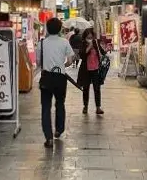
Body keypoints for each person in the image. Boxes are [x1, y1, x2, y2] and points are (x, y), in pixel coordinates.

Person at [37, 17, 75, 148]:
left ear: (47, 29)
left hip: (46, 77)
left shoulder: (42, 43)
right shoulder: (64, 42)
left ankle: (48, 138)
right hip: (60, 77)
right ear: (59, 29)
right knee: (60, 103)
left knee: (45, 107)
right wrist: (62, 65)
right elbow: (70, 61)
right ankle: (59, 130)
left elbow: (38, 62)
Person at [77, 28, 105, 116]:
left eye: (91, 36)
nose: (90, 38)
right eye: (88, 37)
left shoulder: (96, 43)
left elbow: (102, 52)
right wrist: (89, 46)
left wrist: (105, 50)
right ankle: (85, 106)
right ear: (85, 37)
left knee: (97, 88)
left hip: (96, 69)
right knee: (86, 89)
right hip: (86, 70)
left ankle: (98, 107)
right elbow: (82, 55)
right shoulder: (83, 44)